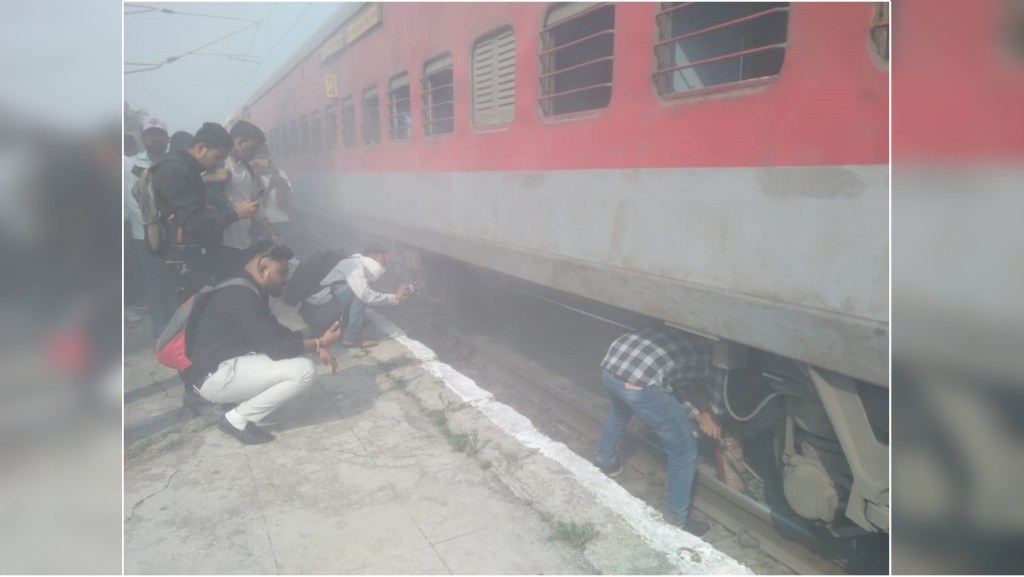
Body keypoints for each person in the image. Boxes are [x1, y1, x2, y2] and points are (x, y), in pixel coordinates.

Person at [183, 241, 343, 444]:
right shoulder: (241, 297)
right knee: (304, 370)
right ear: (263, 269)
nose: (286, 279)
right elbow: (278, 348)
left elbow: (275, 331)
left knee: (283, 356)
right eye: (282, 272)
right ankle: (235, 420)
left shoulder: (245, 287)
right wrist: (319, 343)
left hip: (217, 367)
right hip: (211, 378)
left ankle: (236, 403)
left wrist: (315, 343)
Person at [594, 325, 726, 537]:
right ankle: (676, 518)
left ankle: (605, 462)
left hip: (611, 366)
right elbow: (705, 397)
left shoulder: (688, 333)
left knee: (619, 412)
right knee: (684, 451)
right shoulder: (716, 361)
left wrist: (700, 414)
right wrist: (712, 417)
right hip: (641, 385)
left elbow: (673, 386)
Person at [151, 122, 259, 305]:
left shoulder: (183, 166)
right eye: (218, 157)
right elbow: (193, 222)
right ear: (201, 148)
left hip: (187, 250)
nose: (220, 164)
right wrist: (236, 214)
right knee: (190, 307)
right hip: (183, 254)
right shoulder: (178, 170)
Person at [299, 242, 410, 348]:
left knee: (359, 290)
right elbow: (365, 295)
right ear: (375, 254)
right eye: (385, 255)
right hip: (316, 315)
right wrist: (395, 297)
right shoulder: (354, 265)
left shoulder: (357, 264)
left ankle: (347, 326)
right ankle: (351, 338)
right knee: (360, 293)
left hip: (318, 313)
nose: (387, 259)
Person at [211, 121, 277, 282]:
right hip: (221, 244)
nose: (255, 153)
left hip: (243, 243)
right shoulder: (219, 165)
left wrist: (271, 233)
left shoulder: (247, 169)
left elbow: (257, 206)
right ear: (239, 142)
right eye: (253, 147)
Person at [123, 117, 171, 335]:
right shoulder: (130, 164)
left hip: (173, 234)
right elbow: (131, 200)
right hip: (144, 235)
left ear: (166, 139)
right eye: (151, 134)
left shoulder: (174, 162)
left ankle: (177, 329)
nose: (155, 138)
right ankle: (162, 333)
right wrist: (153, 221)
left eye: (159, 135)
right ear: (143, 138)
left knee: (173, 282)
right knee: (154, 285)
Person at [250, 144, 291, 245]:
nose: (262, 161)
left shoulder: (280, 173)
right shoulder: (251, 176)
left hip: (282, 220)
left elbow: (289, 199)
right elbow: (257, 204)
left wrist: (284, 187)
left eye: (264, 157)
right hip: (263, 224)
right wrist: (270, 188)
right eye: (259, 158)